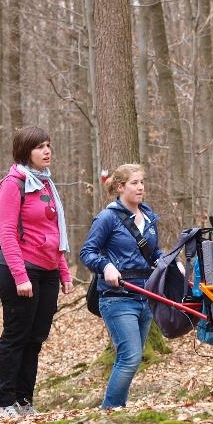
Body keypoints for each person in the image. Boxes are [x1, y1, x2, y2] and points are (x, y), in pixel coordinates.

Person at [0, 126, 74, 418]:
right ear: (26, 152)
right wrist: (20, 276)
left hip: (47, 269)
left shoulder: (46, 183)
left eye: (48, 145)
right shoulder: (14, 183)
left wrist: (63, 273)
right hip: (19, 268)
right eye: (39, 147)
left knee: (36, 338)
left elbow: (54, 232)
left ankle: (24, 400)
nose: (46, 151)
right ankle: (3, 401)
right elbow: (7, 233)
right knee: (16, 334)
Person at [80, 164, 162, 409]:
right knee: (130, 356)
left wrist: (167, 263)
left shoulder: (148, 217)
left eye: (142, 182)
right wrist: (105, 266)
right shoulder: (107, 218)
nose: (140, 187)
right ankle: (110, 410)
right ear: (119, 187)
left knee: (133, 359)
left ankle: (117, 409)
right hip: (117, 298)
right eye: (134, 183)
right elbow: (87, 252)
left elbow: (154, 252)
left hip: (145, 296)